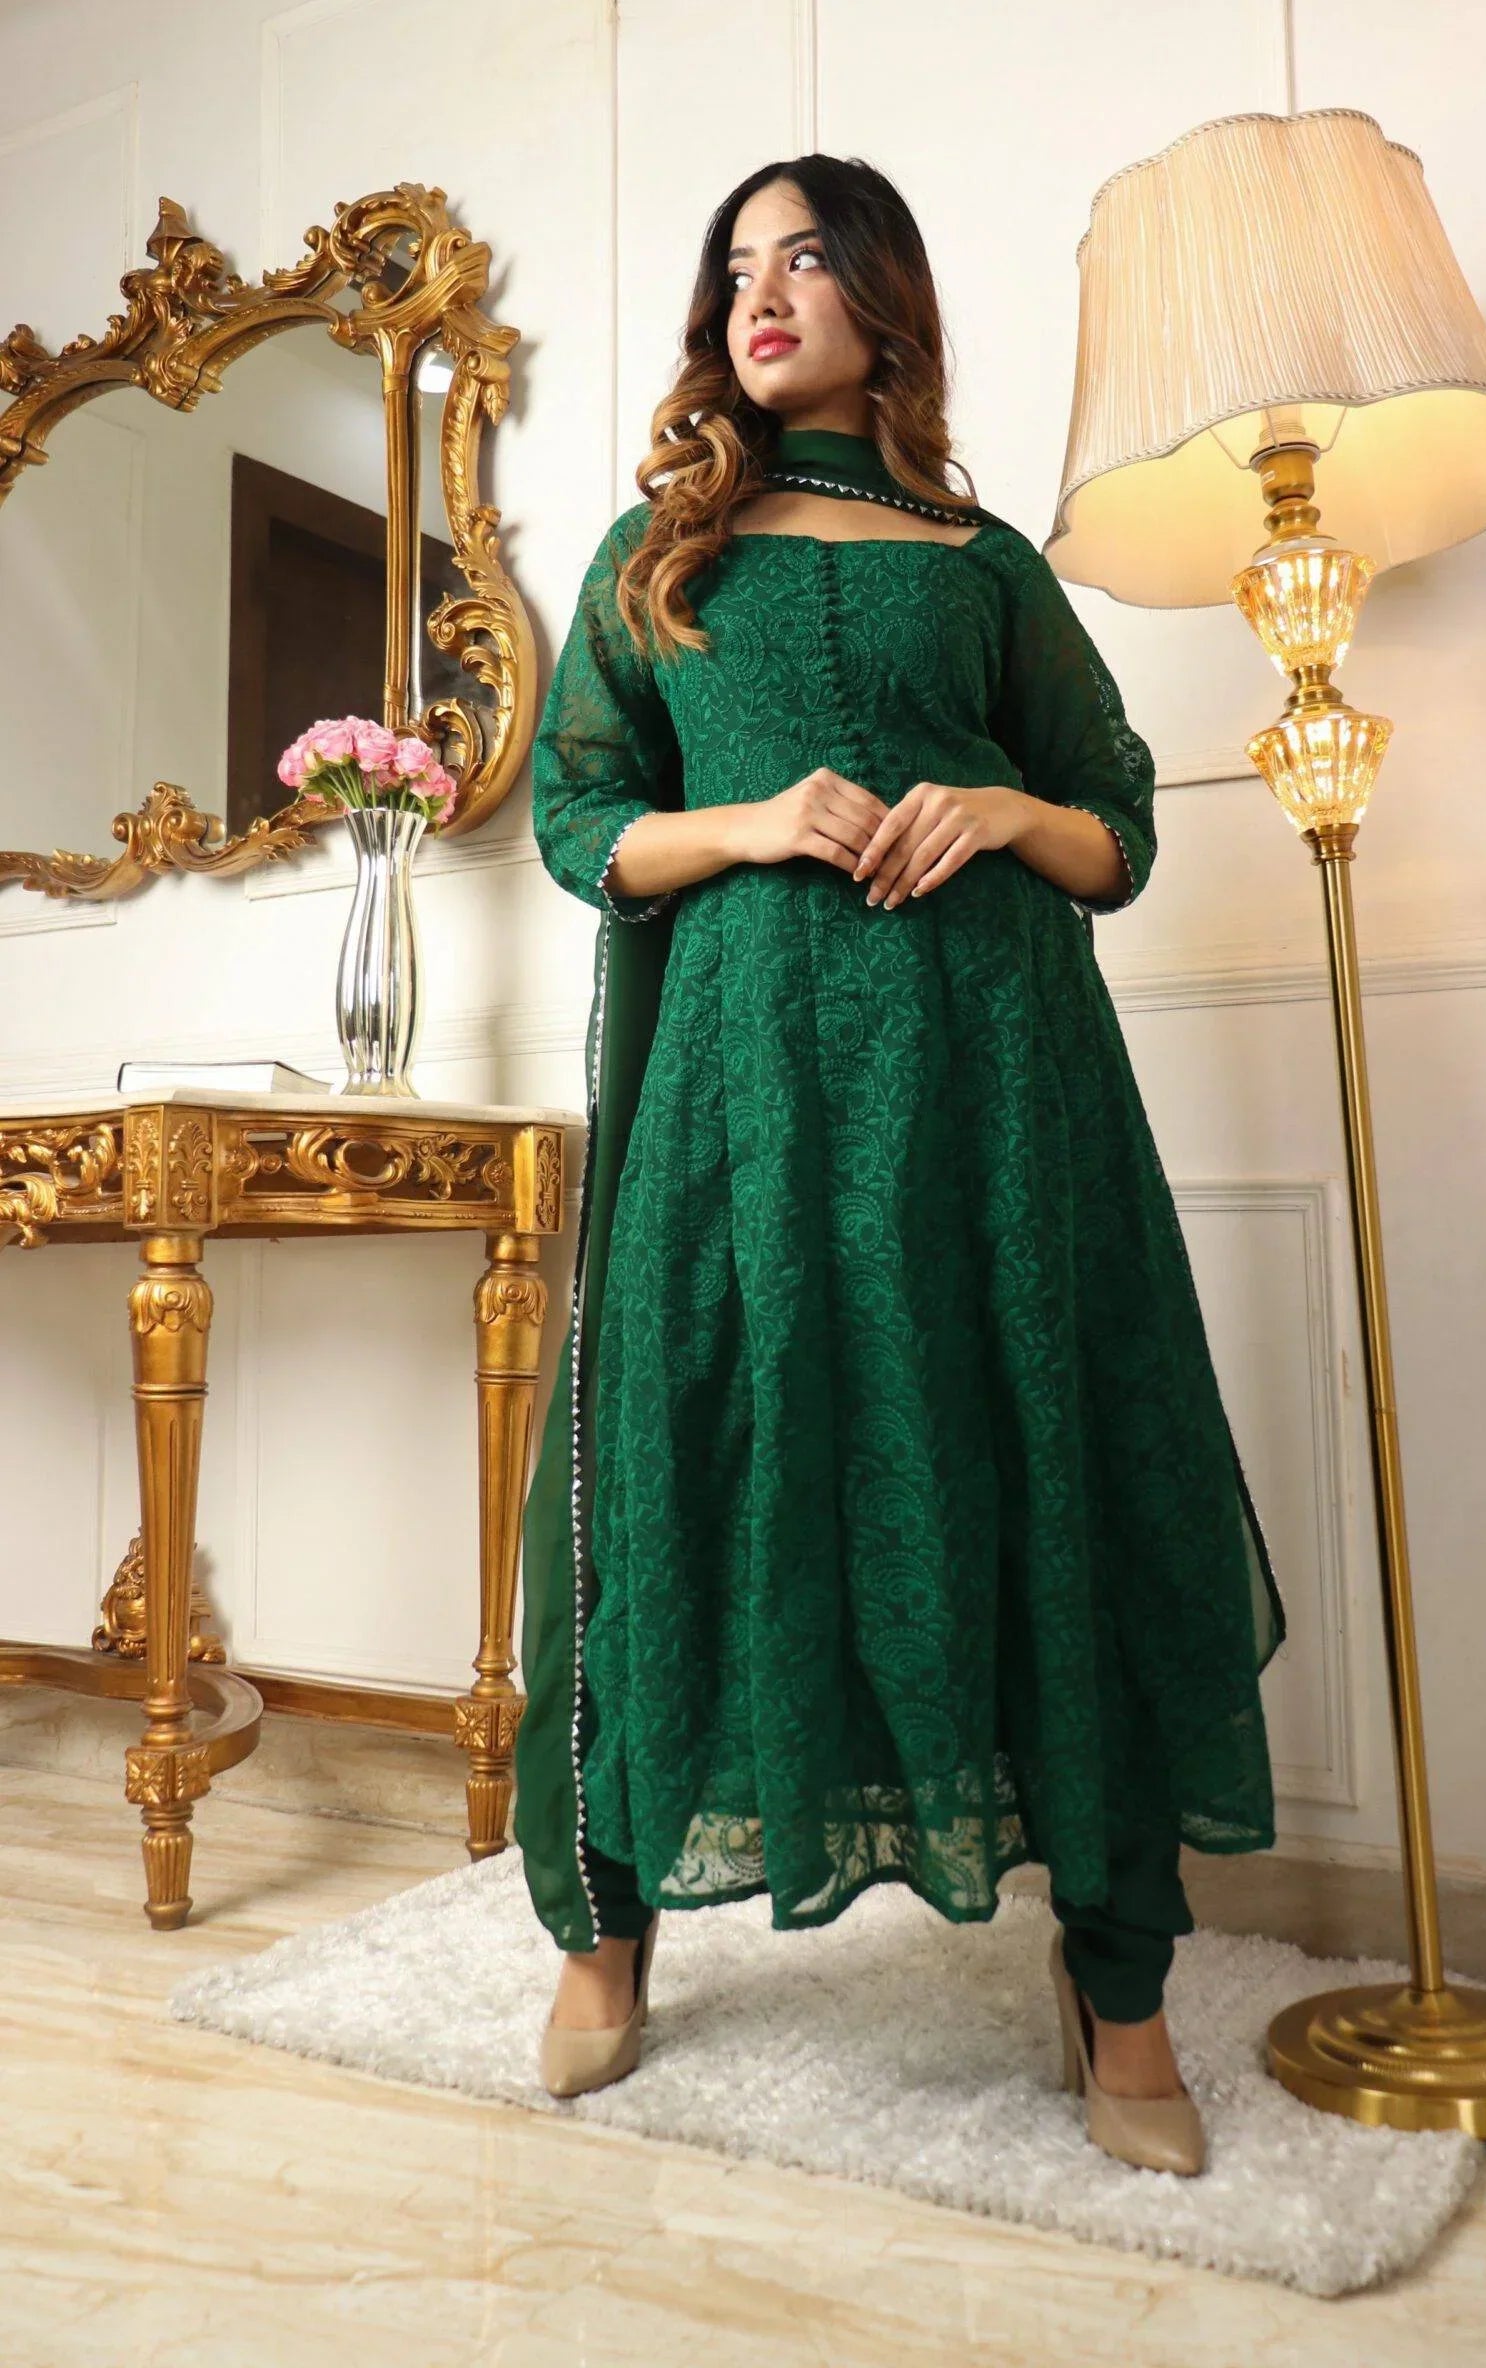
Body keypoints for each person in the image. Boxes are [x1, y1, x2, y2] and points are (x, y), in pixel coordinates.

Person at [512, 153, 1285, 2177]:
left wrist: (1002, 808)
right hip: (739, 1098)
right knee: (685, 1454)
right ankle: (603, 1927)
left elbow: (1115, 820)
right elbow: (581, 819)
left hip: (992, 1091)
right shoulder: (655, 557)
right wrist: (755, 819)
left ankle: (1119, 1984)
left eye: (803, 258)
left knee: (1039, 1456)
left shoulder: (981, 557)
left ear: (882, 295)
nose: (761, 293)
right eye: (735, 266)